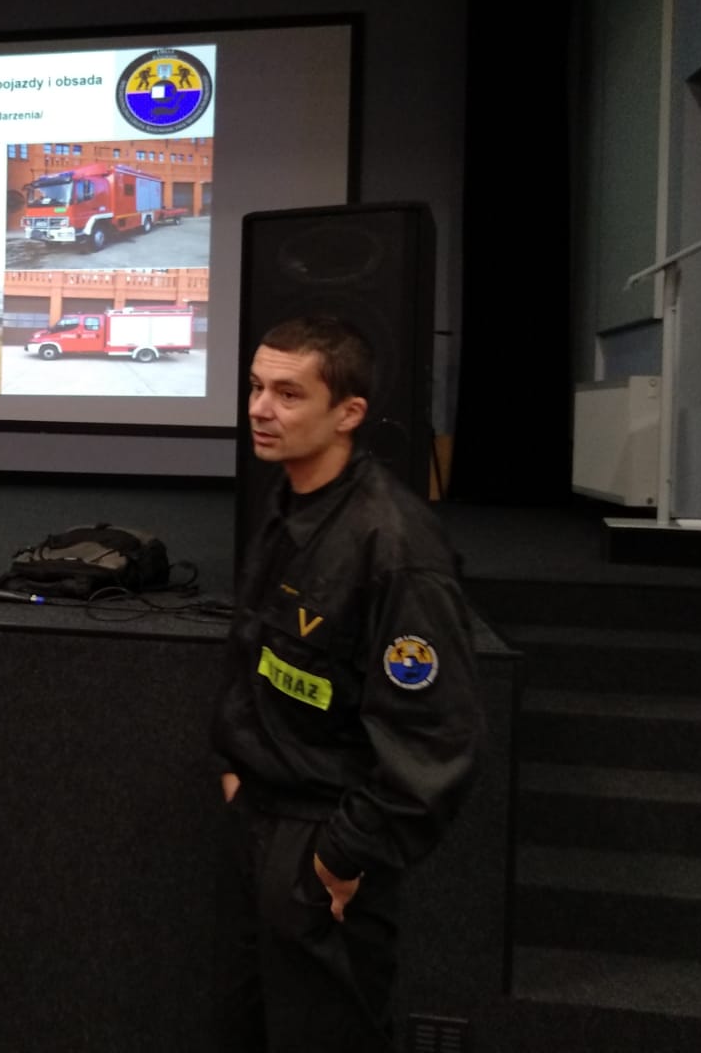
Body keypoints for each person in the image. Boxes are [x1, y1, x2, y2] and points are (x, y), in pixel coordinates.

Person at [212, 316, 484, 1052]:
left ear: (348, 413)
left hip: (323, 836)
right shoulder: (288, 500)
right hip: (261, 815)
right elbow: (256, 649)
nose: (260, 409)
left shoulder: (394, 545)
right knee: (243, 1027)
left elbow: (435, 736)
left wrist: (343, 853)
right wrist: (237, 765)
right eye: (255, 388)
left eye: (288, 394)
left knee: (326, 1035)